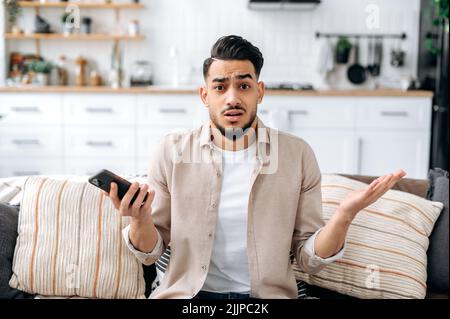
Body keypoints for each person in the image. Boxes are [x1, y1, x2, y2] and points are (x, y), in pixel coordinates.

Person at [104, 35, 406, 299]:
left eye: (243, 85)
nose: (233, 98)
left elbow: (308, 258)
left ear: (259, 92)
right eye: (220, 87)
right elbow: (150, 253)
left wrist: (344, 215)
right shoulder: (170, 152)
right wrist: (140, 219)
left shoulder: (297, 155)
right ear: (204, 95)